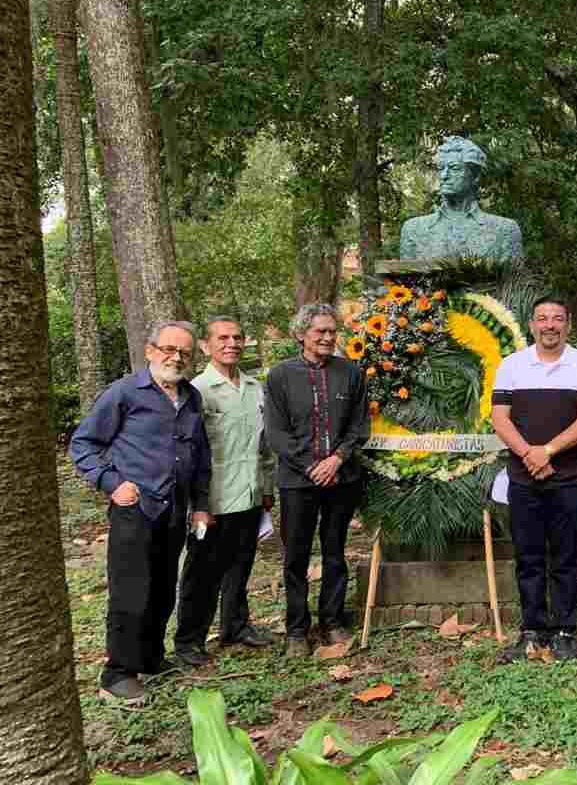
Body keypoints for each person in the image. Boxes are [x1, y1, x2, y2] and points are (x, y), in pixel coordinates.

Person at [70, 321, 212, 706]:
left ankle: (149, 658)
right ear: (150, 351)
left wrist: (201, 505)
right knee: (131, 591)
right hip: (135, 509)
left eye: (183, 352)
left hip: (176, 509)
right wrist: (112, 483)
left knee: (164, 587)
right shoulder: (124, 393)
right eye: (168, 349)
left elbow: (200, 456)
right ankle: (117, 674)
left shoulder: (191, 397)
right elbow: (83, 444)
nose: (175, 357)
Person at [491, 295, 577, 663]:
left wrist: (549, 451)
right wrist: (529, 454)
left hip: (569, 476)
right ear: (532, 324)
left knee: (566, 555)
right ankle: (531, 629)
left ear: (568, 324)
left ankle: (564, 630)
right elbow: (500, 418)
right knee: (528, 555)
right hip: (524, 478)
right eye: (542, 318)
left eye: (557, 318)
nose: (550, 325)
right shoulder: (511, 366)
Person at [266, 303, 370, 658]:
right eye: (319, 332)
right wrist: (314, 465)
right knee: (296, 555)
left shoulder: (351, 373)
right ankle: (297, 629)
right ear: (300, 335)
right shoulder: (280, 376)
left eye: (331, 331)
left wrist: (337, 459)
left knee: (334, 551)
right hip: (298, 481)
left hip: (343, 478)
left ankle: (332, 620)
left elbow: (359, 428)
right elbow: (276, 434)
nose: (327, 337)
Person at [172, 317, 276, 667]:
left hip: (247, 495)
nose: (231, 343)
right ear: (205, 345)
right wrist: (196, 503)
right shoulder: (196, 391)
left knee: (240, 565)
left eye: (237, 337)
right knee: (202, 572)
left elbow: (263, 446)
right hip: (210, 500)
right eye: (223, 338)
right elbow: (189, 451)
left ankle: (235, 625)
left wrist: (265, 489)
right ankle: (189, 641)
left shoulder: (254, 388)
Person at [397, 135, 523, 263]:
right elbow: (405, 281)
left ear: (475, 177)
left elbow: (515, 282)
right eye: (441, 168)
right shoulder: (413, 230)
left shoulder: (504, 230)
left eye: (454, 168)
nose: (444, 176)